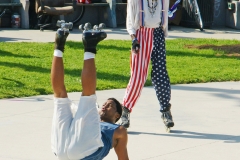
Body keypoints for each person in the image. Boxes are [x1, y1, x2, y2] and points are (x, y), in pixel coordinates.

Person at [51, 26, 129, 160]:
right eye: (105, 103)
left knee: (88, 95)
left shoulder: (118, 130)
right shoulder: (91, 117)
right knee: (60, 96)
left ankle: (90, 46)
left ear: (117, 115)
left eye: (110, 105)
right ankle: (59, 46)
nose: (105, 105)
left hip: (82, 149)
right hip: (63, 147)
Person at [121, 0, 174, 130]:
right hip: (141, 34)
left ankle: (165, 110)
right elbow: (129, 21)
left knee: (160, 74)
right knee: (138, 76)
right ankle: (125, 111)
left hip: (158, 34)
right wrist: (134, 39)